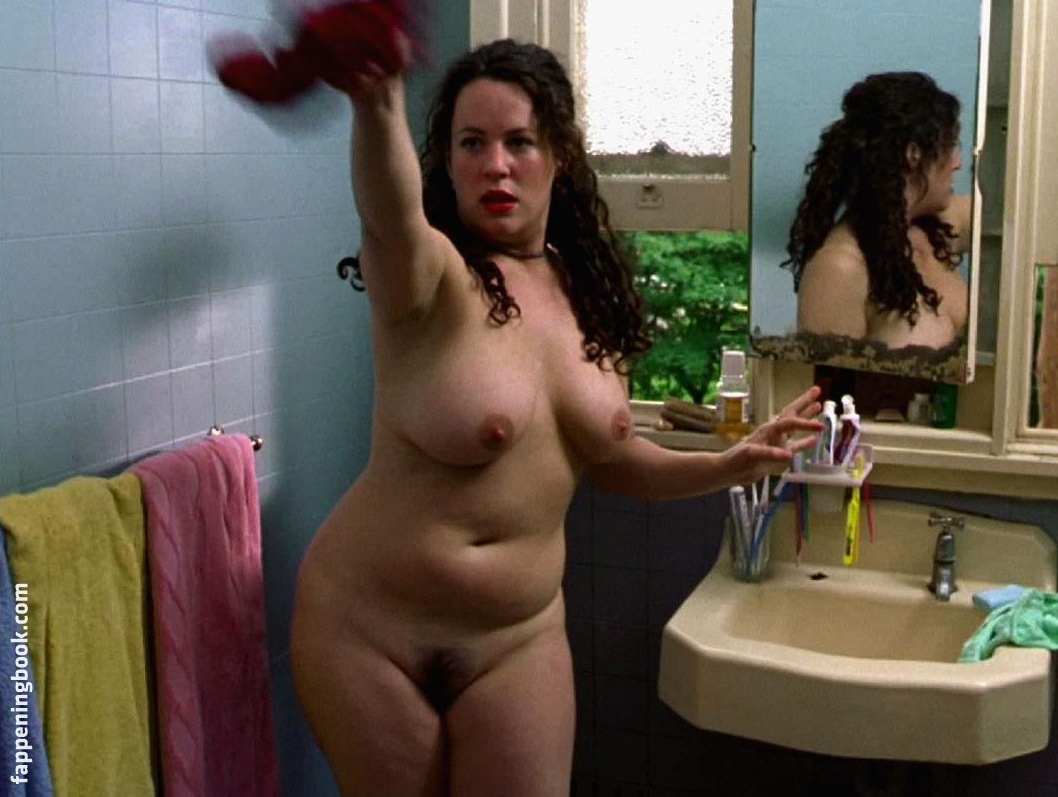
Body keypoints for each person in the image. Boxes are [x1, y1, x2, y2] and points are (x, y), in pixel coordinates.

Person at [289, 29, 824, 797]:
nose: (495, 164)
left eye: (519, 142)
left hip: (516, 637)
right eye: (471, 143)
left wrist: (726, 465)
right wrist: (377, 105)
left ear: (560, 156)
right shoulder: (429, 281)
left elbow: (613, 461)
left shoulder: (587, 296)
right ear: (446, 160)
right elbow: (389, 216)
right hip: (369, 628)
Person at [782, 72, 971, 350]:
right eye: (950, 147)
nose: (957, 163)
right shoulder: (839, 267)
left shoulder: (935, 230)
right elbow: (826, 376)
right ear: (914, 154)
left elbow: (1018, 214)